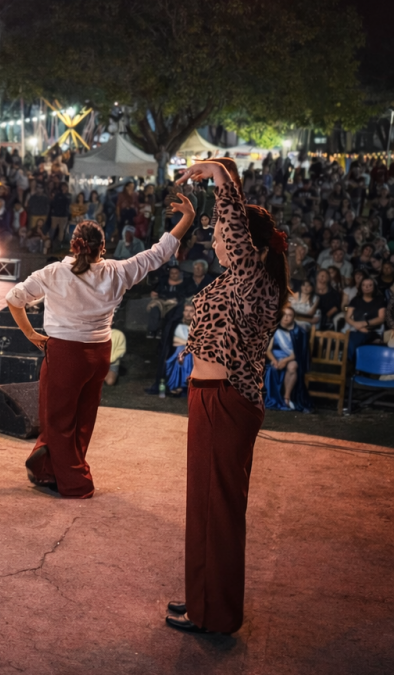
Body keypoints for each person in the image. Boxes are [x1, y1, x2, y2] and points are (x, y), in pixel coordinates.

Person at [166, 158, 287, 636]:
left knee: (218, 510)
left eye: (222, 234)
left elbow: (234, 226)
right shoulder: (238, 280)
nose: (215, 240)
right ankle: (202, 600)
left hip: (226, 402)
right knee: (204, 505)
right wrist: (226, 174)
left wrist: (218, 173)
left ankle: (215, 614)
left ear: (246, 246)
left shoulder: (254, 279)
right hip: (210, 398)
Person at [8, 192, 194, 499]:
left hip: (64, 353)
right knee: (82, 418)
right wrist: (186, 218)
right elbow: (159, 253)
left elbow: (13, 299)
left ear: (73, 244)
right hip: (98, 354)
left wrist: (30, 334)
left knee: (57, 420)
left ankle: (75, 482)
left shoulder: (53, 273)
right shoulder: (117, 272)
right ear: (103, 247)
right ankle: (53, 469)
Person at [263, 306, 312, 412]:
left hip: (292, 358)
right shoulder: (274, 329)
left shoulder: (299, 332)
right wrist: (274, 360)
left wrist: (285, 361)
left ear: (293, 317)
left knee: (293, 366)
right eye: (284, 314)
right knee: (272, 369)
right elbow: (268, 350)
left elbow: (299, 352)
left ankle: (287, 397)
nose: (286, 318)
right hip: (276, 358)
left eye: (289, 315)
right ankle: (274, 399)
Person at [344, 276, 386, 367]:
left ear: (374, 287)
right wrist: (356, 325)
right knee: (351, 339)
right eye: (364, 285)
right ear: (361, 287)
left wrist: (364, 324)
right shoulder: (355, 300)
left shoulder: (380, 300)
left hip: (373, 331)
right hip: (356, 330)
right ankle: (353, 366)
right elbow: (347, 317)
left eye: (370, 285)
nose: (367, 287)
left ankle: (358, 367)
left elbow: (381, 318)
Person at [147, 265, 192, 338]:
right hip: (161, 301)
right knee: (155, 309)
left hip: (175, 303)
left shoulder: (185, 283)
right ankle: (152, 330)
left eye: (176, 273)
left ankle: (162, 330)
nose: (174, 275)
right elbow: (156, 291)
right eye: (172, 273)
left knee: (172, 312)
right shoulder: (163, 281)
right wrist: (155, 293)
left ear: (180, 273)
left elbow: (185, 295)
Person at [164, 302, 196, 396]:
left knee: (184, 351)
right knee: (182, 351)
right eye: (186, 311)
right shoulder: (178, 325)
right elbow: (174, 341)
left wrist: (186, 343)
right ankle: (183, 383)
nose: (188, 314)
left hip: (196, 354)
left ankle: (182, 384)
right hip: (180, 353)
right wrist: (189, 344)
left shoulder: (199, 326)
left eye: (191, 311)